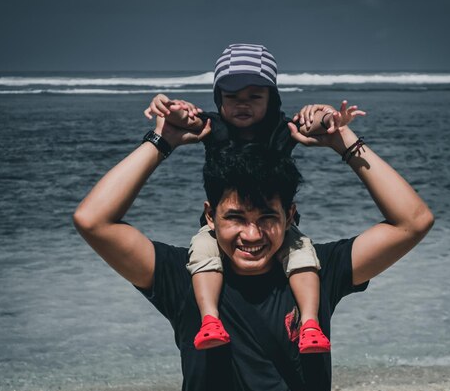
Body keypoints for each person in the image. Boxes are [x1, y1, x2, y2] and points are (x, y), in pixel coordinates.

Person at [73, 110, 434, 391]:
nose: (252, 235)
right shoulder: (182, 276)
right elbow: (93, 221)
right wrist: (161, 141)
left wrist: (344, 141)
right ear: (210, 216)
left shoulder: (316, 270)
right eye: (235, 218)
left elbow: (413, 222)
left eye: (267, 218)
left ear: (289, 217)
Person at [143, 43, 362, 353]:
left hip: (278, 226)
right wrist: (171, 108)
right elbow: (185, 119)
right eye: (232, 97)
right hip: (222, 227)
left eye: (254, 97)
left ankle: (310, 324)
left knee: (303, 258)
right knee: (203, 255)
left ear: (271, 98)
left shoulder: (281, 128)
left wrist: (326, 117)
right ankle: (209, 320)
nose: (242, 105)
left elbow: (311, 124)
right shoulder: (212, 126)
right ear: (219, 99)